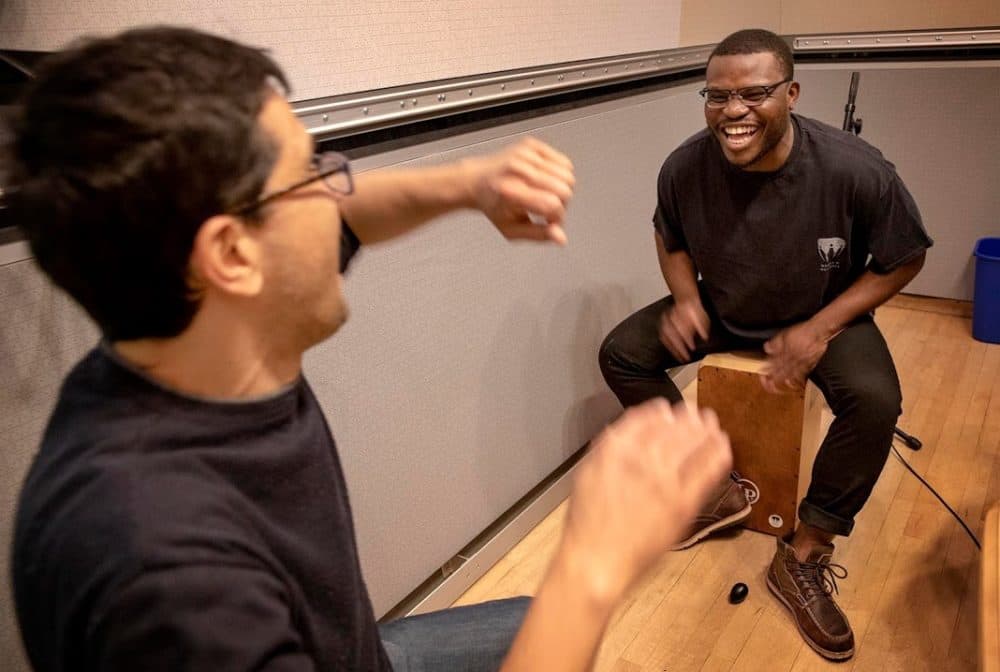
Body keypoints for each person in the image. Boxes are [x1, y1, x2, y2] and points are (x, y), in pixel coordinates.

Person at [7, 26, 732, 672]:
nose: (340, 196)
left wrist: (470, 183)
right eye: (313, 176)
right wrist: (594, 565)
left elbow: (344, 214)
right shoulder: (165, 580)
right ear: (231, 254)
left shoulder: (190, 329)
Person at [598, 28, 932, 661]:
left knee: (875, 401)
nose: (733, 111)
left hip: (821, 312)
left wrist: (822, 327)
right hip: (725, 304)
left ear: (792, 93)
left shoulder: (854, 169)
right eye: (717, 95)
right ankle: (712, 486)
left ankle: (804, 554)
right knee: (622, 352)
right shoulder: (684, 166)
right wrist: (688, 299)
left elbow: (903, 258)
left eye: (754, 93)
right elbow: (669, 238)